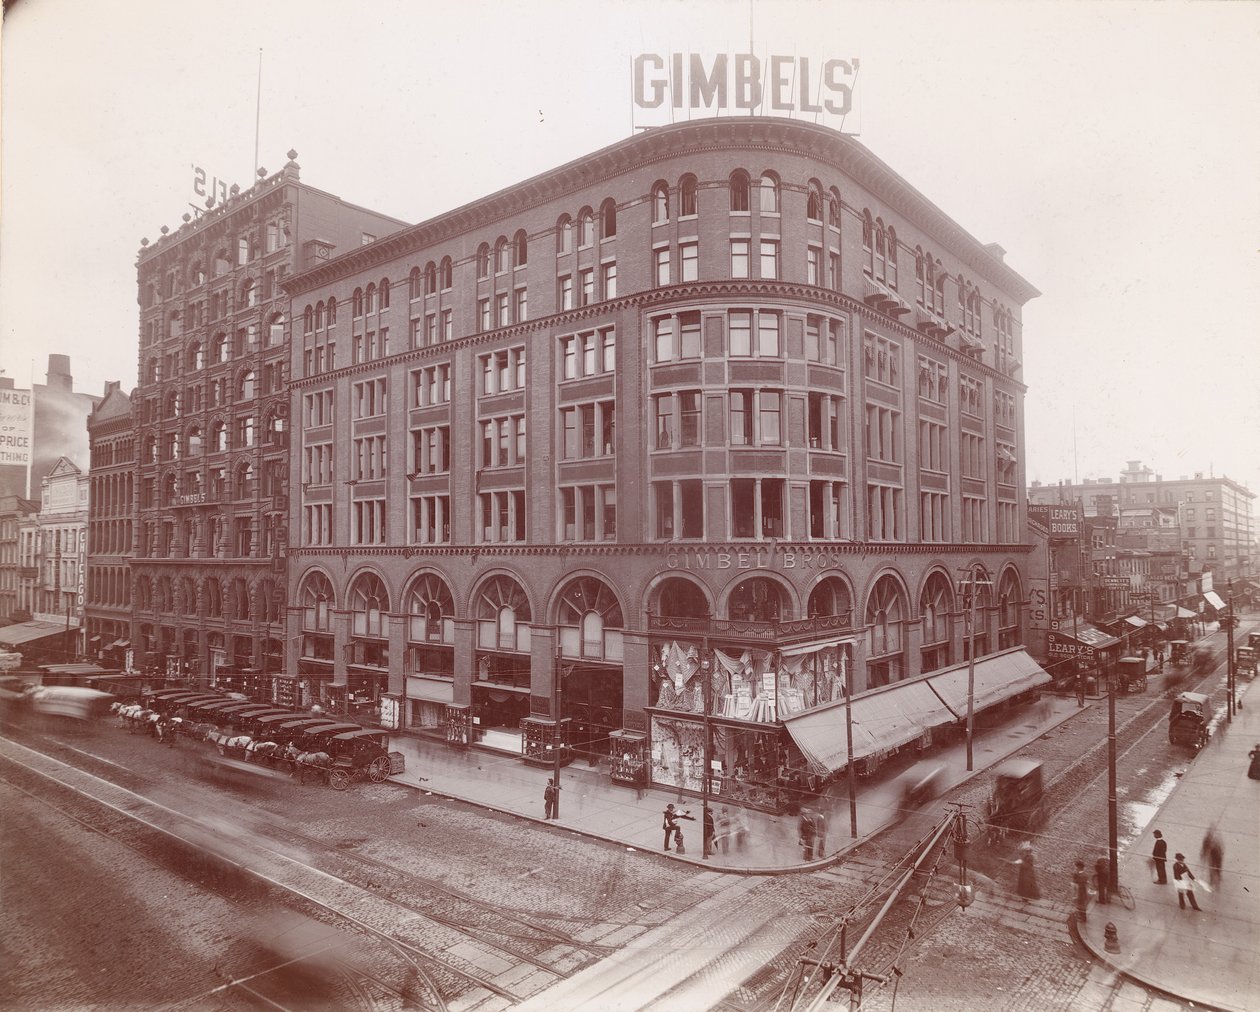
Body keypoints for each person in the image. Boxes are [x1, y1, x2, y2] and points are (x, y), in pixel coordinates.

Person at [1200, 825, 1224, 890]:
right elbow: (1204, 848)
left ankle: (1217, 879)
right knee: (1212, 869)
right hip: (1212, 857)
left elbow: (1220, 848)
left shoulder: (1215, 840)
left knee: (1217, 868)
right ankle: (1212, 881)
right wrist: (1203, 855)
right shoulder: (1207, 840)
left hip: (1217, 857)